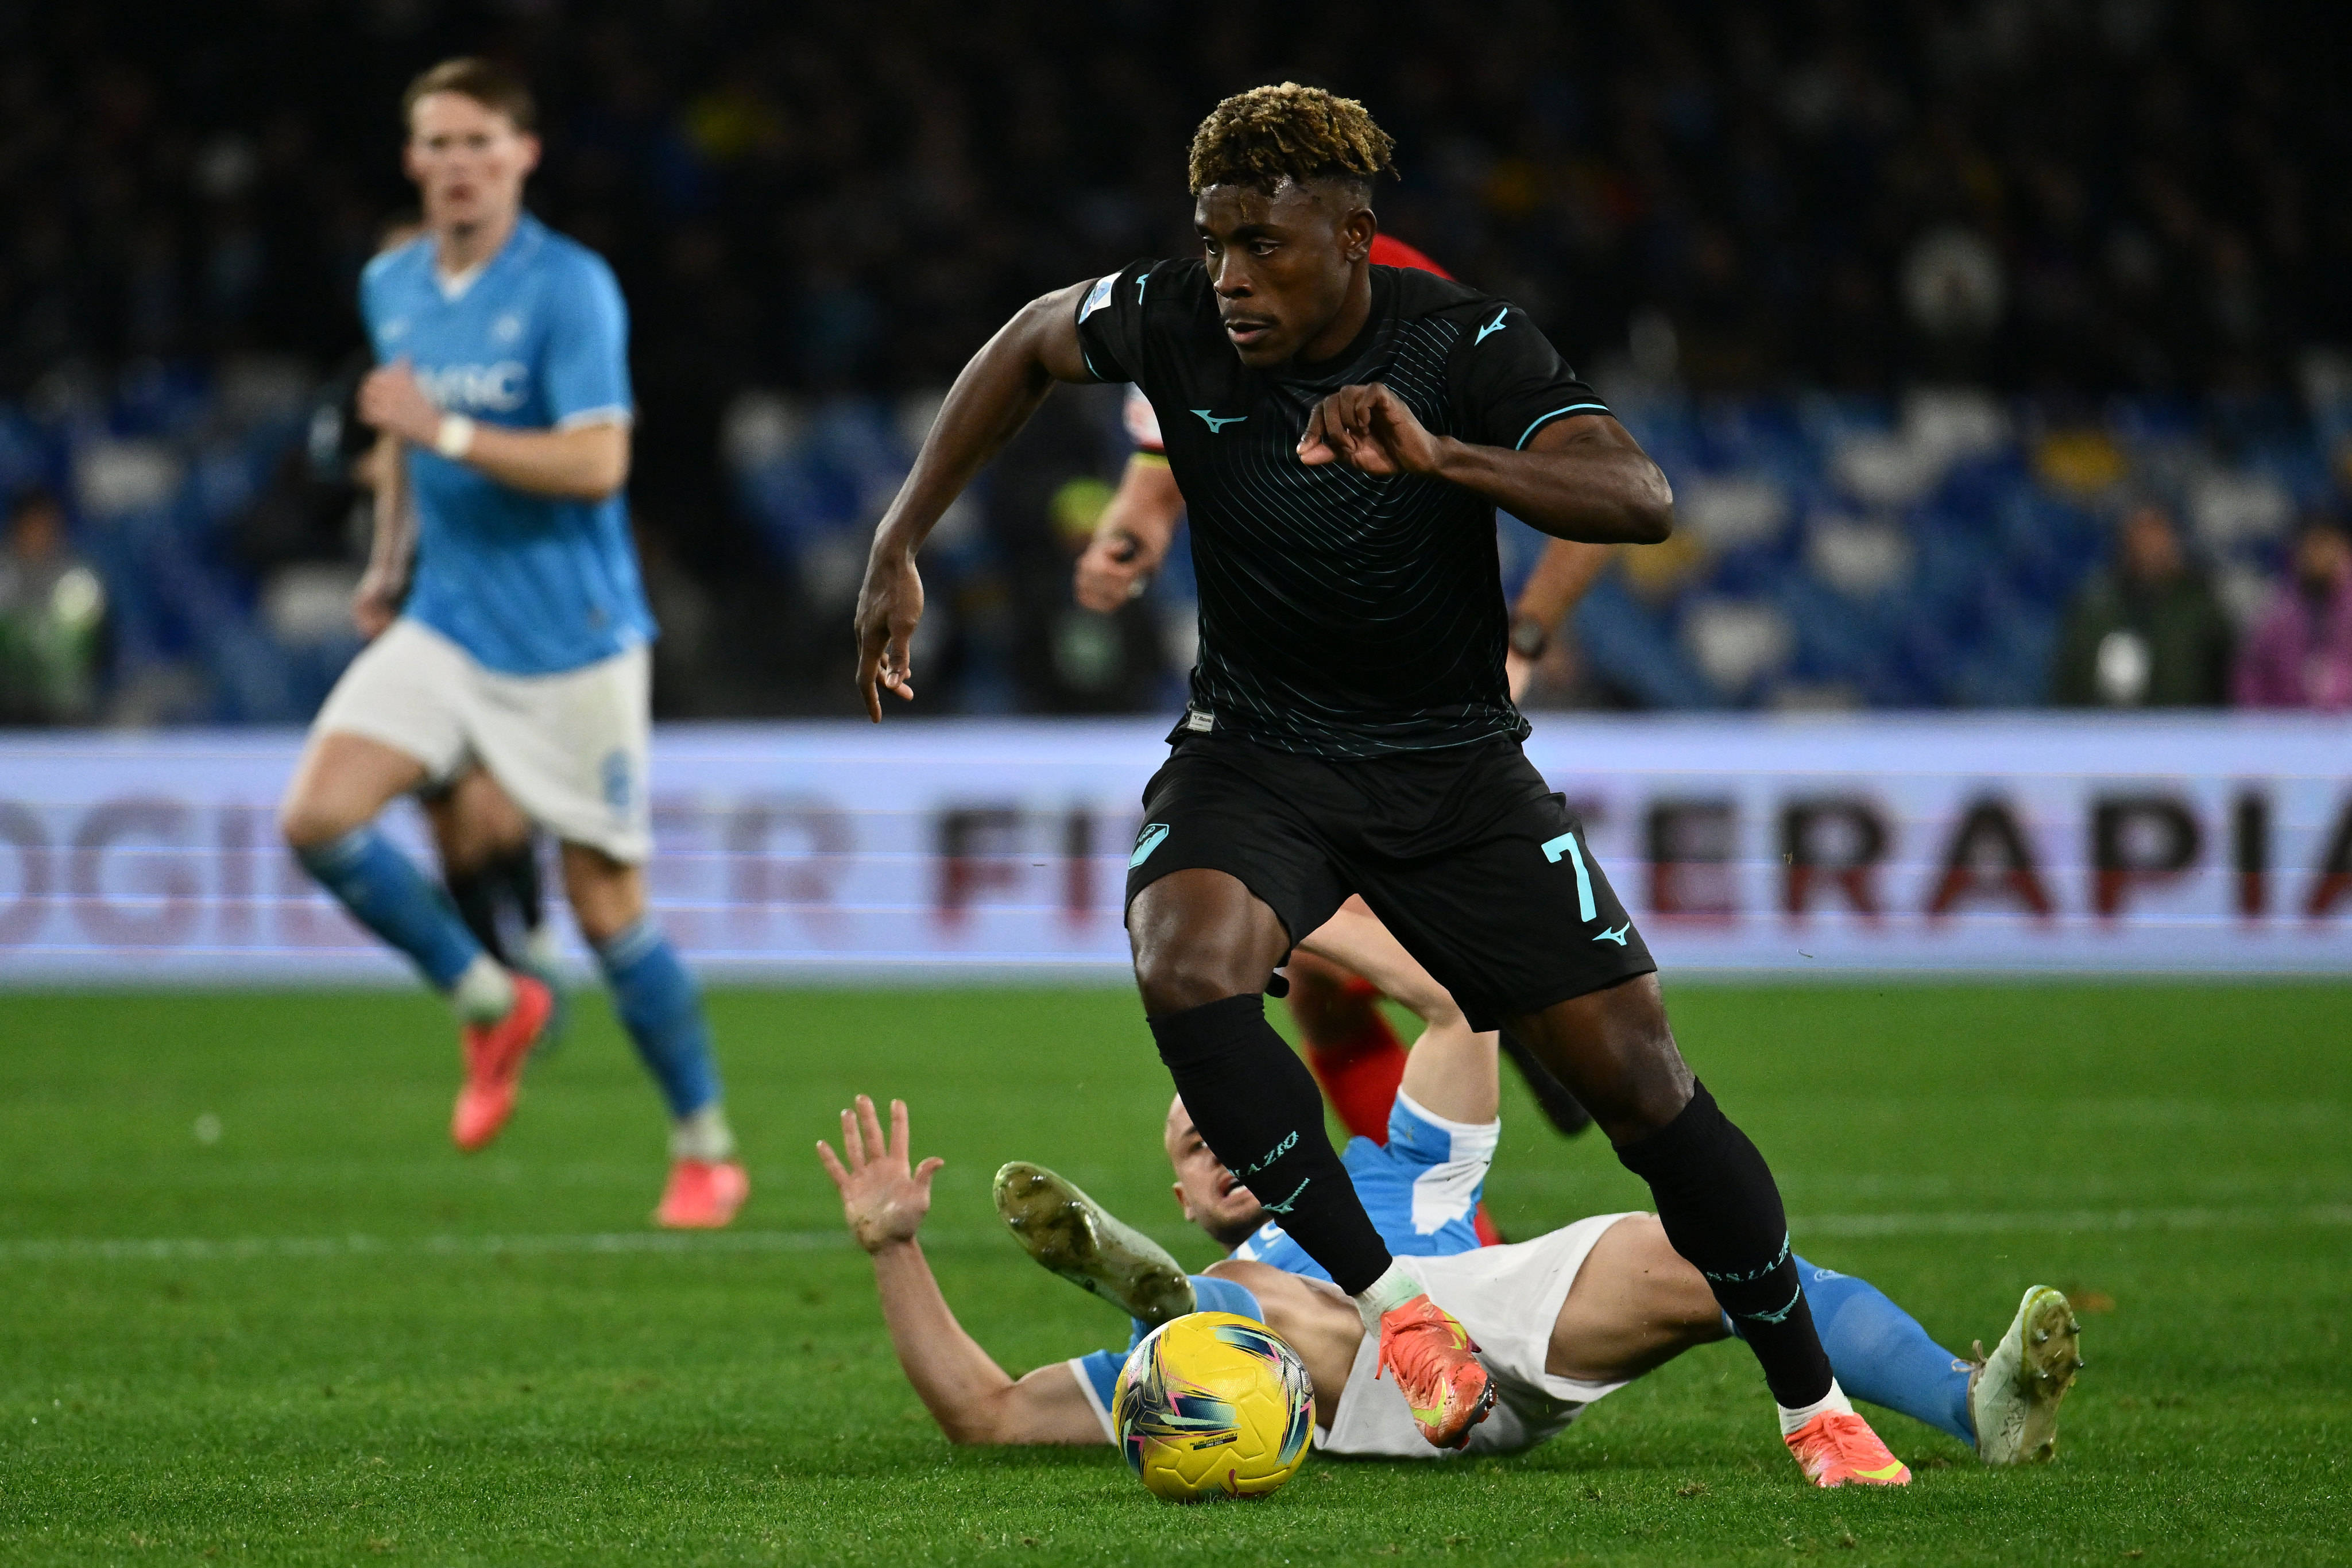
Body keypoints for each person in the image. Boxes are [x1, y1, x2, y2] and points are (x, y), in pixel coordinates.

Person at [854, 81, 1898, 1480]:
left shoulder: (1462, 341)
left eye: (1265, 244)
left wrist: (1446, 456)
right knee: (1181, 959)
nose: (1229, 275)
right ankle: (1395, 1304)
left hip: (1454, 768)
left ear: (1353, 236)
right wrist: (899, 538)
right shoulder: (1171, 314)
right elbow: (1029, 342)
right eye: (1214, 238)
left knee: (1645, 1091)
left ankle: (1812, 1403)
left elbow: (1639, 497)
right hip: (1257, 750)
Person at [815, 974, 2082, 1476]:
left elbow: (1453, 1004)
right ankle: (1166, 1302)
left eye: (1234, 1120)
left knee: (1725, 1255)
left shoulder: (1397, 1171)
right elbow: (978, 1412)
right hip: (1351, 1385)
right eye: (1193, 1143)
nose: (1219, 1143)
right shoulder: (1238, 1261)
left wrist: (1281, 907)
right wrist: (893, 1249)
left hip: (1494, 1329)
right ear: (1188, 1196)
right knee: (1252, 1315)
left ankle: (1975, 1404)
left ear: (1291, 1126)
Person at [276, 57, 744, 1228]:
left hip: (573, 640)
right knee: (317, 817)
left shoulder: (570, 288)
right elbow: (399, 445)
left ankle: (704, 1143)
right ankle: (490, 996)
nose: (455, 165)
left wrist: (452, 426)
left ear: (523, 155)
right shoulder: (393, 283)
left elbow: (597, 462)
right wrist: (389, 565)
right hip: (447, 615)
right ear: (412, 161)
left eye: (478, 142)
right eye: (435, 144)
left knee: (605, 910)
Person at [1071, 239, 1604, 1154]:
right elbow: (1159, 479)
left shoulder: (1441, 327)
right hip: (1283, 702)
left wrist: (1524, 637)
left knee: (1381, 955)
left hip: (1425, 704)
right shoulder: (1204, 314)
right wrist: (1132, 536)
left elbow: (1604, 495)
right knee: (1320, 979)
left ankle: (1501, 996)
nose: (1231, 266)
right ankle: (1442, 1226)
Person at [2049, 502, 2232, 707]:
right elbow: (2069, 679)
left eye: (2158, 536)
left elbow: (2226, 678)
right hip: (2103, 729)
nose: (2150, 547)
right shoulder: (2095, 607)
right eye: (2142, 536)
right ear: (2124, 544)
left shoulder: (2202, 608)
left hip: (2183, 728)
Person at [0, 489, 106, 725]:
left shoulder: (78, 581)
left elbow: (101, 648)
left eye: (44, 526)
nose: (38, 535)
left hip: (65, 712)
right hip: (6, 708)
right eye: (31, 526)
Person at [2233, 514, 2352, 711]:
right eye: (2312, 546)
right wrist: (2258, 721)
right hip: (2288, 727)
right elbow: (2252, 671)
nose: (2320, 556)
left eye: (2327, 545)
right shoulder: (2277, 610)